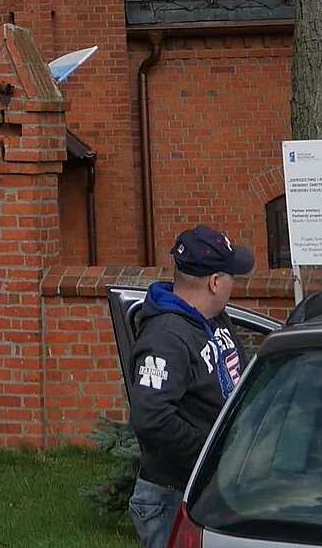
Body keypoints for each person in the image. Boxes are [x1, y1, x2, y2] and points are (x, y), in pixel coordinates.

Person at [124, 223, 255, 548]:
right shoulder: (165, 338)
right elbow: (151, 418)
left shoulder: (212, 319)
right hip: (172, 496)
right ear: (214, 282)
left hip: (208, 488)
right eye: (230, 277)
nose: (232, 285)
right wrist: (211, 455)